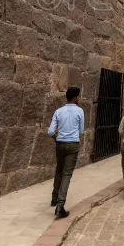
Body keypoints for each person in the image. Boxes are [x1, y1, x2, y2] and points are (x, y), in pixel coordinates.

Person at [48, 86, 84, 219]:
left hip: (60, 144)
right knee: (67, 174)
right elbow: (80, 131)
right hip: (73, 144)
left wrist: (57, 138)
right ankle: (60, 205)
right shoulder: (79, 111)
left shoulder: (58, 111)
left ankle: (54, 197)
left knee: (59, 169)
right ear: (75, 98)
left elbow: (50, 131)